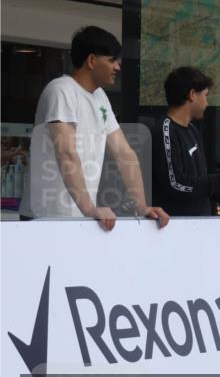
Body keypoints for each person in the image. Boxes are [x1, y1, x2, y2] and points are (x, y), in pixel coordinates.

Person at [19, 26, 168, 231]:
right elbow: (65, 151)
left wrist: (141, 205)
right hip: (47, 216)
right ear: (91, 60)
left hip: (81, 217)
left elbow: (125, 153)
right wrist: (90, 208)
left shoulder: (100, 97)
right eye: (112, 60)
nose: (118, 66)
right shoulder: (61, 90)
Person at [151, 67, 220, 216]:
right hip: (176, 228)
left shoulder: (192, 130)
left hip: (201, 225)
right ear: (192, 95)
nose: (206, 103)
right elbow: (175, 184)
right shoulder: (164, 131)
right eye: (205, 95)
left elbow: (199, 183)